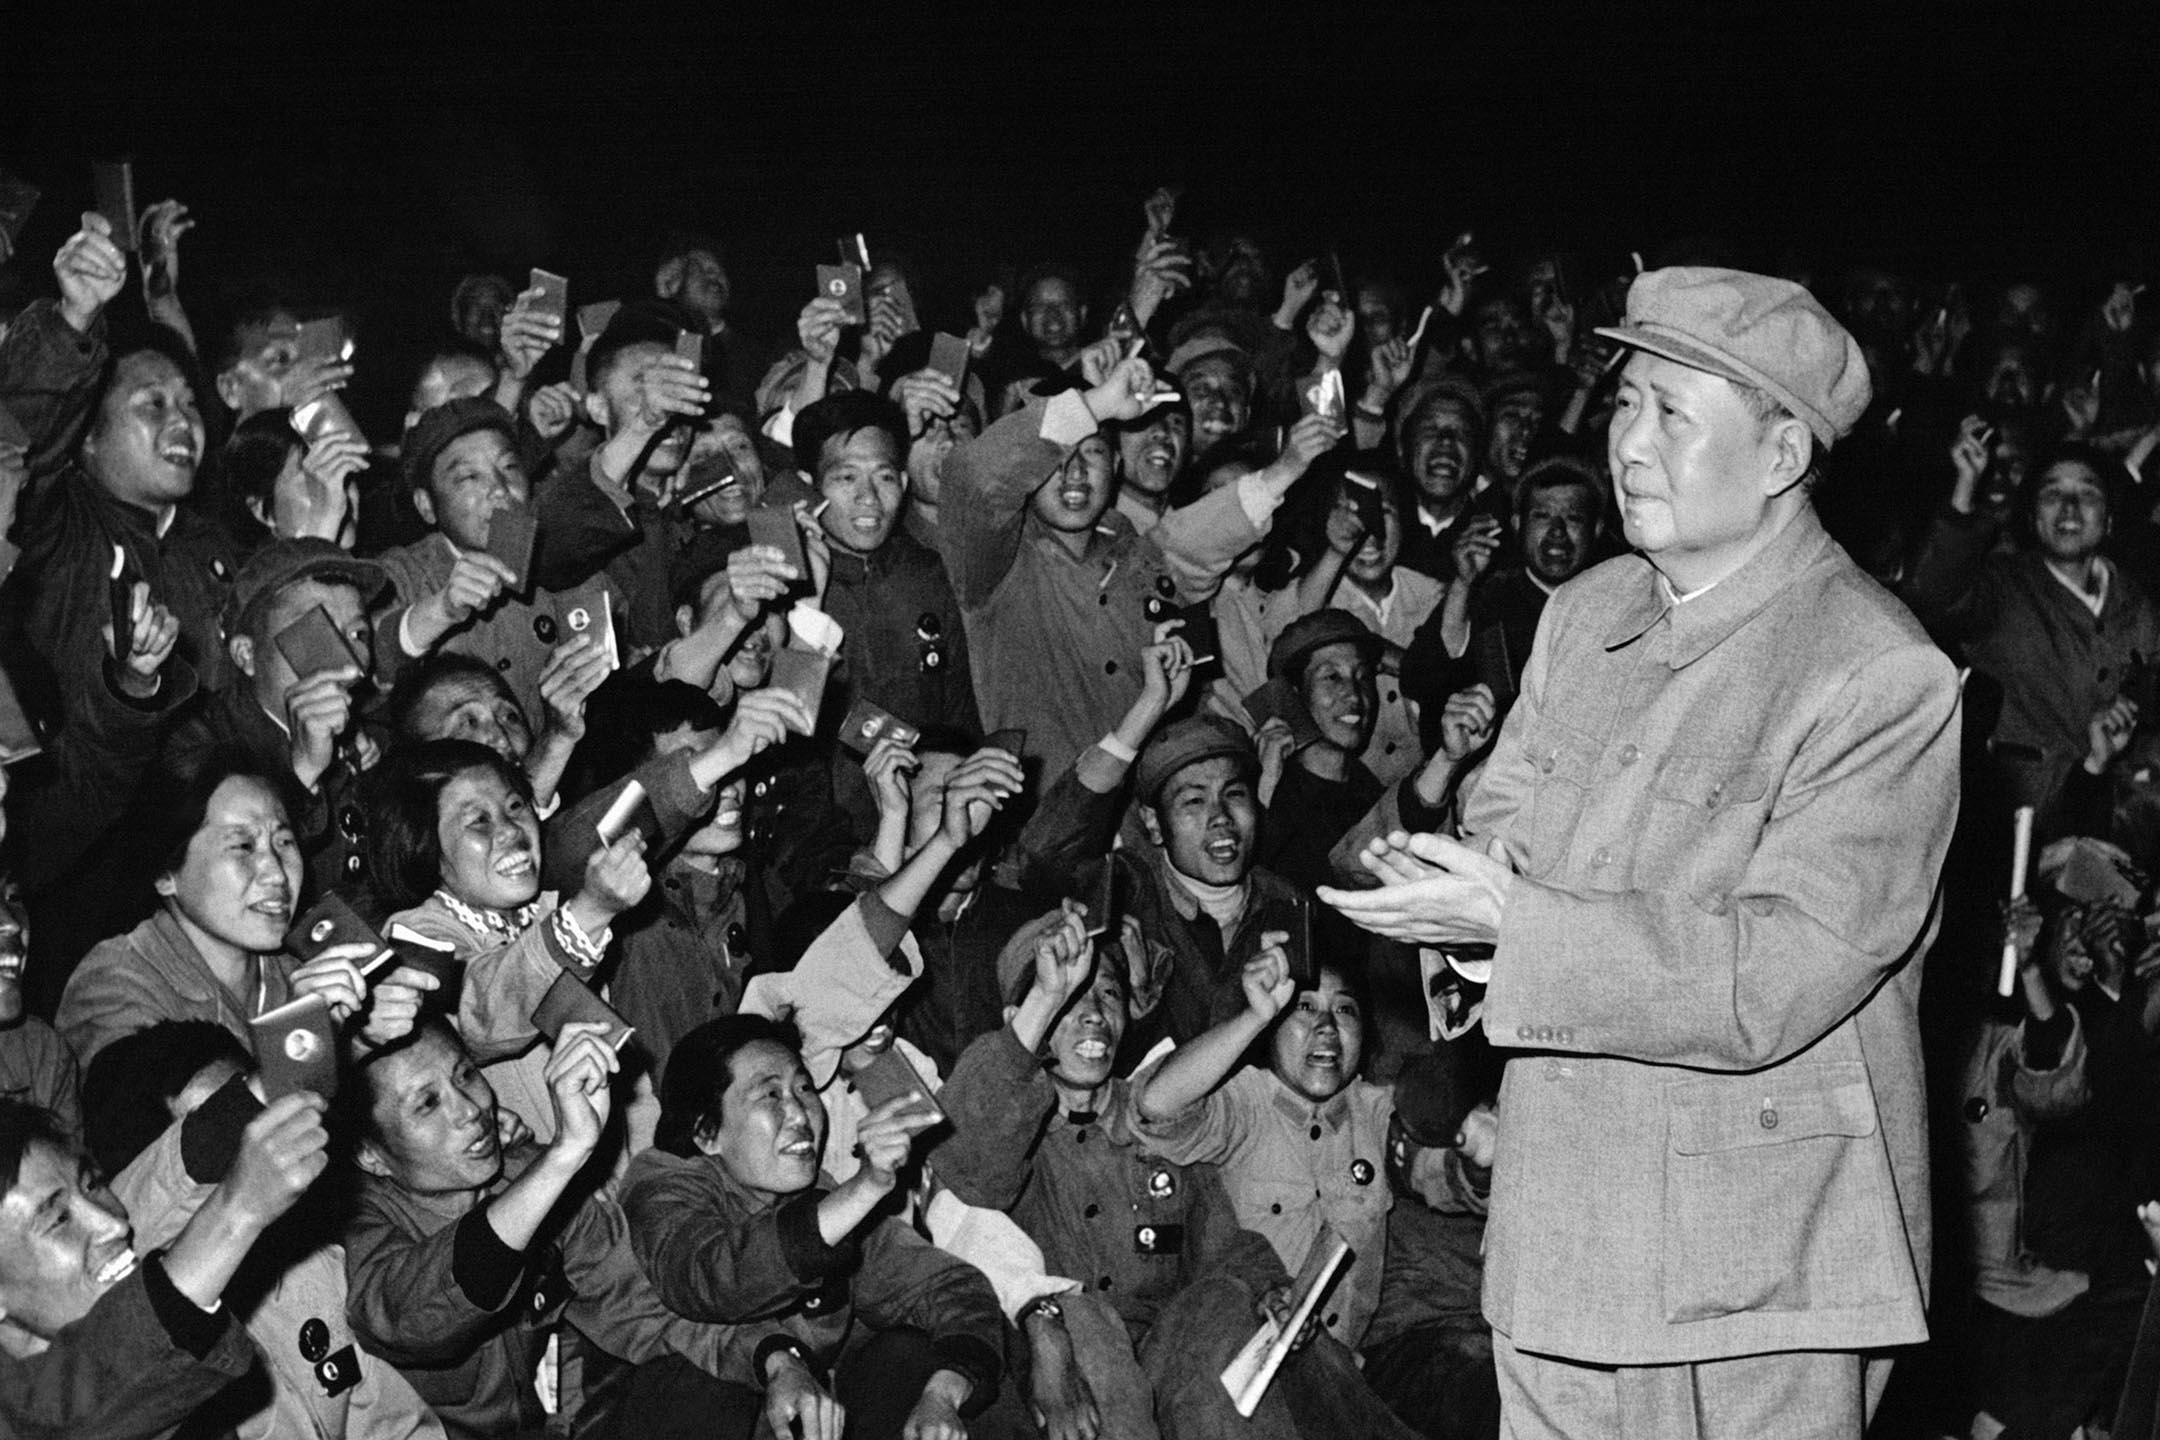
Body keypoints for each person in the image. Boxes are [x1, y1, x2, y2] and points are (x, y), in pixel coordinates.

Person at [1323, 267, 1962, 1437]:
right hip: (1559, 1228)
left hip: (1753, 1267)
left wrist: (1517, 926)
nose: (1627, 442)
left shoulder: (1875, 671)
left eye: (1674, 414)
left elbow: (1779, 971)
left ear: (1780, 457)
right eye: (1624, 402)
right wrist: (1454, 910)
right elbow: (1506, 822)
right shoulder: (1588, 611)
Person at [621, 1013, 1005, 1440]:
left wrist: (944, 1391)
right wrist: (865, 1187)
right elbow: (712, 1277)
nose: (799, 1113)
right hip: (681, 1413)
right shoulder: (660, 1183)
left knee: (914, 1357)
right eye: (770, 1094)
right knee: (695, 1389)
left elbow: (949, 1286)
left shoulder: (821, 1195)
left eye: (804, 1089)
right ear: (707, 1133)